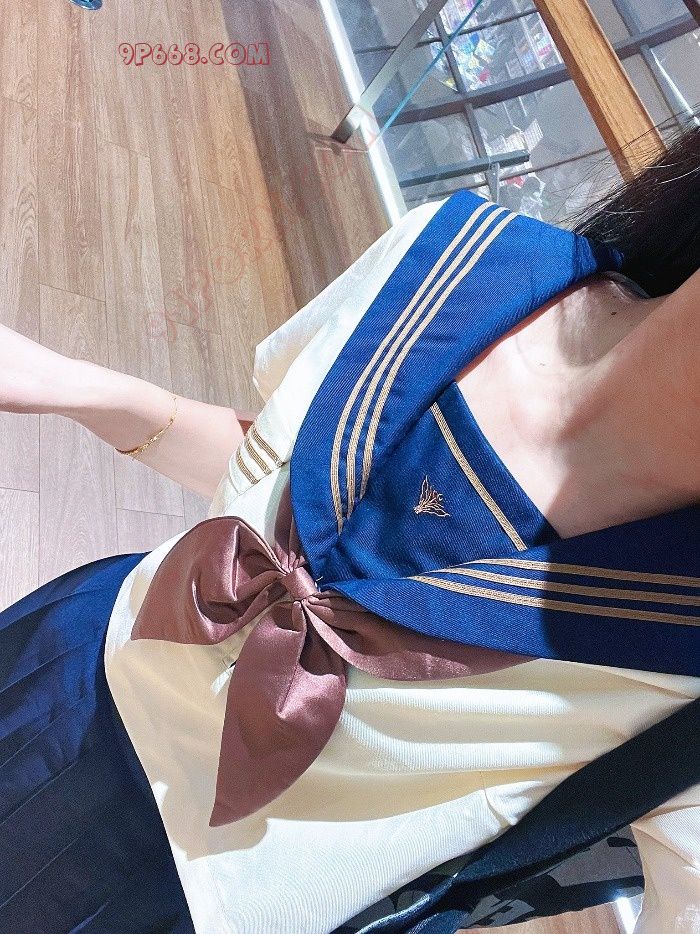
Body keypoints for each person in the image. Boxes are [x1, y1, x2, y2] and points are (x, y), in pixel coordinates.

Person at [1, 123, 698, 934]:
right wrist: (79, 389)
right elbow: (270, 477)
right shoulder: (463, 258)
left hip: (167, 906)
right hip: (77, 656)